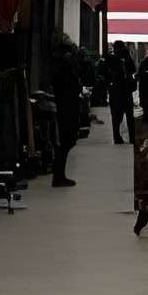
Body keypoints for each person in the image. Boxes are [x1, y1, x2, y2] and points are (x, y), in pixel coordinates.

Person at [51, 38, 87, 188]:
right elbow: (72, 86)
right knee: (66, 141)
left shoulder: (61, 66)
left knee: (66, 142)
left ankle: (59, 175)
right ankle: (58, 176)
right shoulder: (64, 68)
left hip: (66, 107)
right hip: (66, 108)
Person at [106, 40, 136, 144]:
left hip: (116, 91)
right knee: (129, 116)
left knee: (116, 117)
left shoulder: (112, 58)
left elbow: (106, 72)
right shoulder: (126, 57)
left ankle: (117, 137)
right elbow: (133, 69)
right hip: (126, 91)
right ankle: (132, 137)